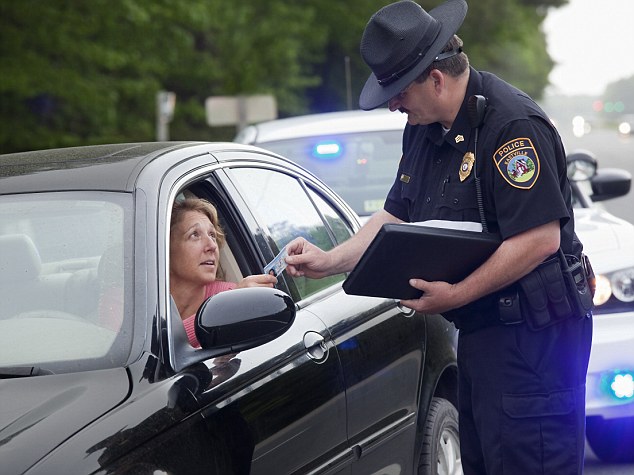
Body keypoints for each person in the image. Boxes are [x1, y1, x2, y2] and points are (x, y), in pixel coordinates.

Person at [284, 1, 593, 473]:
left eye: (398, 91)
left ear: (435, 77)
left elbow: (539, 240)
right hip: (481, 336)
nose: (392, 103)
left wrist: (456, 293)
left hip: (534, 343)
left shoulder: (511, 127)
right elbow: (394, 216)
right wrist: (329, 260)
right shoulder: (423, 129)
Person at [170, 198, 277, 347]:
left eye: (212, 235)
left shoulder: (233, 297)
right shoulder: (136, 303)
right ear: (165, 248)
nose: (212, 246)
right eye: (195, 234)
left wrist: (226, 308)